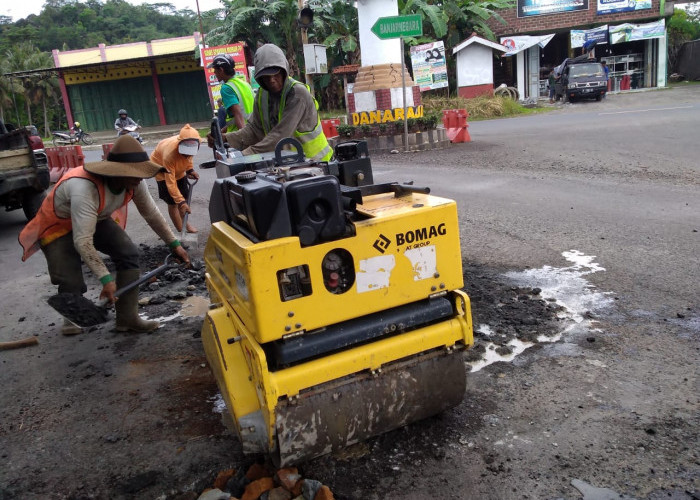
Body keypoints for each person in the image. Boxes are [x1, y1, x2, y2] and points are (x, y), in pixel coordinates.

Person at [19, 135, 191, 335]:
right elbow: (82, 241)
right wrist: (105, 279)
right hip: (57, 225)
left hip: (95, 218)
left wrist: (174, 244)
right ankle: (71, 318)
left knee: (128, 252)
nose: (139, 179)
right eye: (135, 174)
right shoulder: (84, 187)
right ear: (117, 172)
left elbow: (151, 213)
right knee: (70, 276)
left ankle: (127, 318)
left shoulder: (135, 182)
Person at [207, 43, 332, 162]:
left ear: (284, 70)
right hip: (289, 165)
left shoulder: (297, 93)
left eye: (275, 73)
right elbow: (254, 129)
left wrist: (243, 156)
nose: (272, 80)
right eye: (266, 76)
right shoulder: (262, 94)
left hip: (316, 164)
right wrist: (225, 138)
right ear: (260, 78)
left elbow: (280, 135)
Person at [151, 124, 201, 234]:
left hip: (177, 169)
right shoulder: (169, 155)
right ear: (179, 144)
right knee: (173, 202)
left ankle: (185, 224)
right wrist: (181, 202)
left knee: (184, 197)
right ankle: (180, 228)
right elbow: (170, 183)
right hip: (161, 170)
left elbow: (188, 159)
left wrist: (189, 170)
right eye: (185, 151)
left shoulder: (192, 145)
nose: (188, 154)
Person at [209, 54, 254, 133]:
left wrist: (244, 138)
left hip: (241, 136)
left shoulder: (226, 88)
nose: (214, 72)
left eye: (215, 70)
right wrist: (220, 133)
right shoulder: (244, 84)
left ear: (221, 70)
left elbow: (238, 115)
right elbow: (236, 119)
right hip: (253, 130)